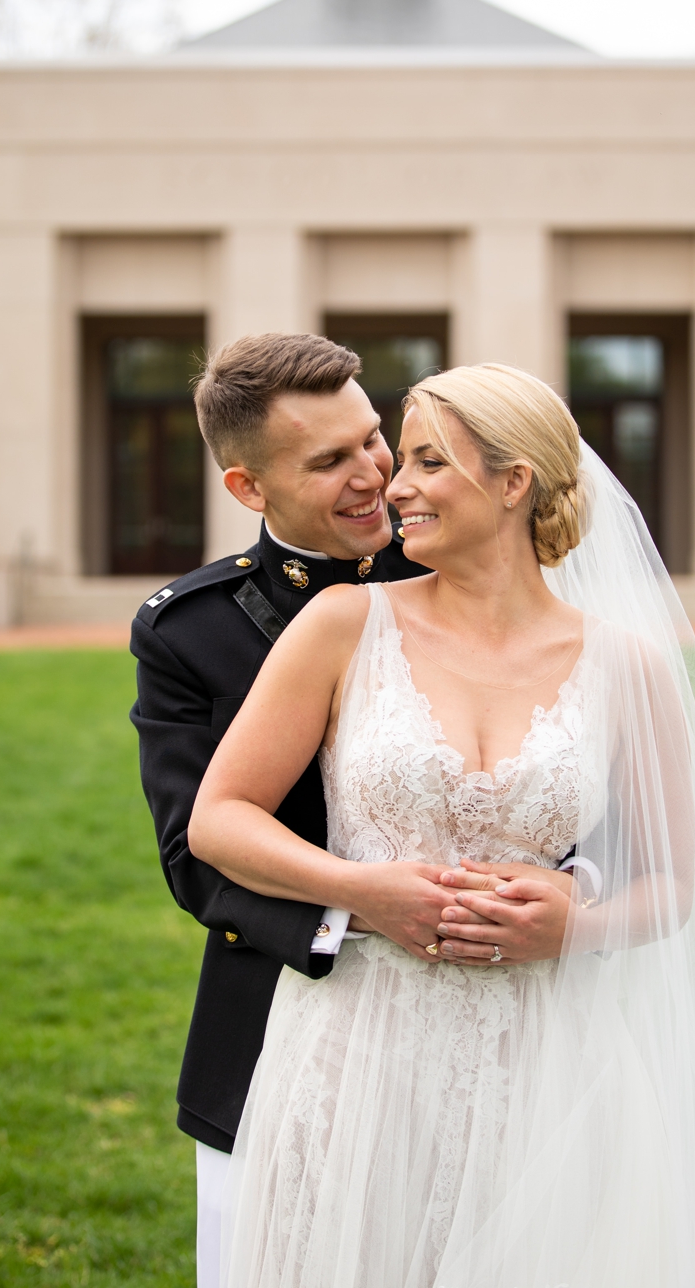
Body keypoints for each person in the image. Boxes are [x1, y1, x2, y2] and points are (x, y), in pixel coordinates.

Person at [186, 363, 695, 1287]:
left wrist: (577, 923)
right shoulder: (345, 624)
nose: (393, 485)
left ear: (513, 481)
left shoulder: (631, 666)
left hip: (552, 1056)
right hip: (360, 1047)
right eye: (397, 459)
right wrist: (359, 889)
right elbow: (218, 819)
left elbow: (674, 889)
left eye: (425, 462)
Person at [129, 334, 577, 1287]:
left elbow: (587, 806)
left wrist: (567, 906)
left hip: (516, 1015)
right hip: (288, 1027)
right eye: (331, 461)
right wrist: (360, 905)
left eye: (375, 439)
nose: (378, 474)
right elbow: (195, 852)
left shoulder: (524, 599)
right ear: (250, 489)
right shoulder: (193, 631)